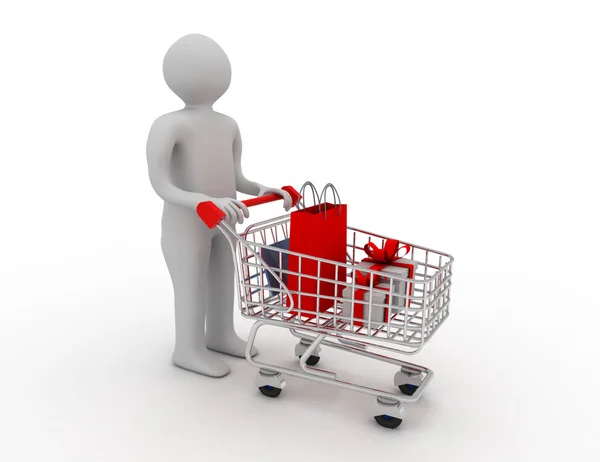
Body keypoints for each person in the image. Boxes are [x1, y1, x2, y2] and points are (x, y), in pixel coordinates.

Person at [146, 34, 292, 377]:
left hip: (225, 221)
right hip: (186, 225)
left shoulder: (228, 125)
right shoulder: (168, 125)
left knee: (226, 280)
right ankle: (188, 348)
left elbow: (237, 178)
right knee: (191, 285)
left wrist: (263, 188)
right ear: (173, 75)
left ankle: (221, 334)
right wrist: (201, 200)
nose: (210, 72)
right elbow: (161, 184)